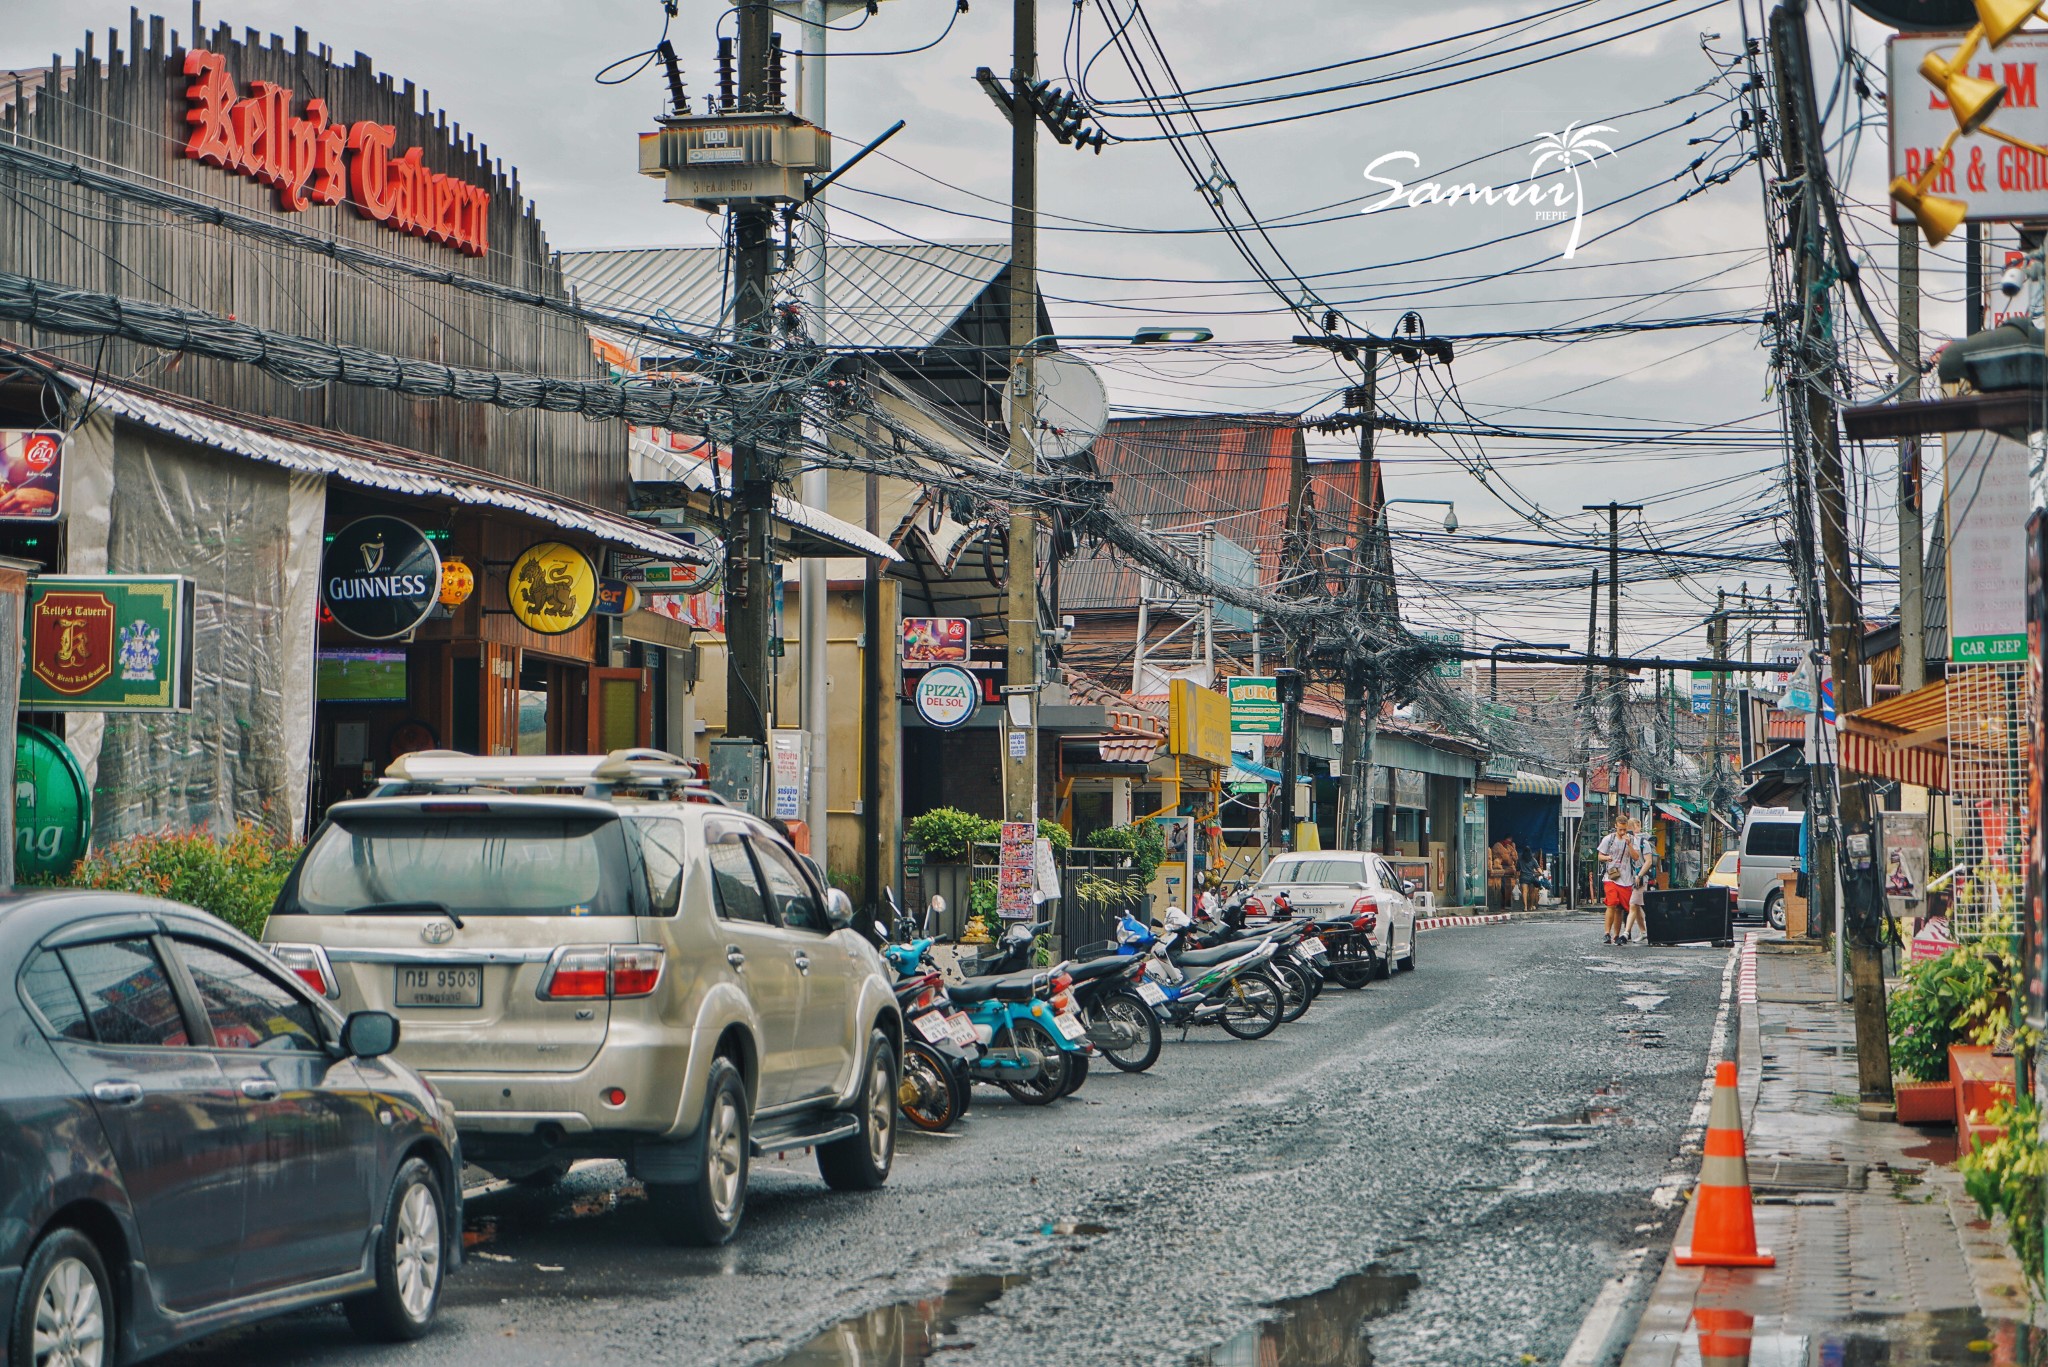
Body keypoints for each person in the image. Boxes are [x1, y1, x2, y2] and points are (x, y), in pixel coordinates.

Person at [1596, 816, 1638, 945]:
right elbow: (1599, 856)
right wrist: (1606, 857)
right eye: (1620, 829)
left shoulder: (1631, 840)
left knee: (1620, 908)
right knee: (1612, 903)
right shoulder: (1609, 839)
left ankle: (1616, 935)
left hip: (1626, 878)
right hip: (1611, 876)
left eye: (1624, 830)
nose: (1622, 832)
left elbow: (1636, 857)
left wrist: (1629, 844)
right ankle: (1606, 933)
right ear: (1616, 826)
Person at [1622, 822, 1650, 945]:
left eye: (1628, 831)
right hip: (1628, 878)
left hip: (1640, 878)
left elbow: (1648, 862)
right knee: (1637, 907)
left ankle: (1626, 933)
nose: (1626, 834)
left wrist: (1640, 875)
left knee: (1633, 904)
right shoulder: (1622, 843)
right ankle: (1644, 932)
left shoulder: (1643, 843)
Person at [1491, 835, 1518, 911]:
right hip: (1500, 873)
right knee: (1501, 889)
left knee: (1503, 889)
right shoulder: (1499, 846)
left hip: (1505, 871)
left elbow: (1514, 858)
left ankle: (1503, 904)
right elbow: (1510, 859)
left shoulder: (1507, 846)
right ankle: (1501, 905)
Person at [1517, 843, 1542, 912]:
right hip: (1531, 878)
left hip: (1523, 878)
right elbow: (1538, 868)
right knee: (1532, 893)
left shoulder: (1520, 860)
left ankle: (1525, 907)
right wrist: (1541, 873)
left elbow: (1517, 870)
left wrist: (1517, 878)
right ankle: (1531, 906)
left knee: (1524, 892)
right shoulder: (1533, 859)